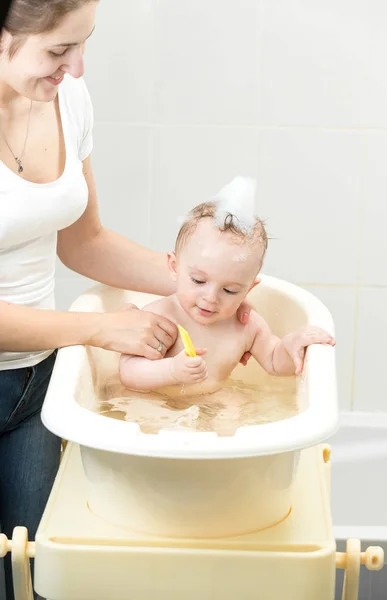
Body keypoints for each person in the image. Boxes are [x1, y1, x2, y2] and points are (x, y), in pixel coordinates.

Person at [0, 2, 252, 598]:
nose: (78, 68)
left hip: (40, 383)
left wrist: (206, 287)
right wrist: (93, 331)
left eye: (84, 44)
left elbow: (85, 243)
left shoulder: (68, 101)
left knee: (39, 571)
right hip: (62, 346)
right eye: (58, 51)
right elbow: (92, 327)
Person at [120, 193, 336, 395]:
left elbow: (273, 361)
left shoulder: (247, 326)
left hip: (216, 401)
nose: (211, 297)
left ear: (249, 289)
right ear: (174, 267)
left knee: (239, 411)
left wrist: (290, 346)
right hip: (158, 402)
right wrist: (170, 370)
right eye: (198, 280)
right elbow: (128, 371)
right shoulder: (157, 318)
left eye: (230, 290)